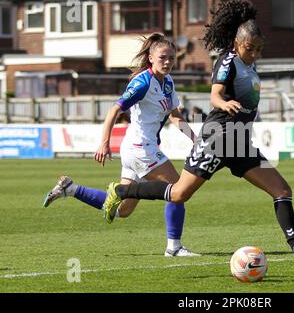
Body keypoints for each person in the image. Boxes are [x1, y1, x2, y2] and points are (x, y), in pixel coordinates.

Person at [102, 0, 294, 271]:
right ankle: (121, 190)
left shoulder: (250, 64)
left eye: (259, 49)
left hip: (239, 141)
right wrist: (224, 104)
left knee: (282, 190)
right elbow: (215, 95)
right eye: (250, 48)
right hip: (219, 138)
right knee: (178, 194)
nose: (254, 53)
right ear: (237, 43)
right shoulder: (228, 60)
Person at [42, 33, 200, 257]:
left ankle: (71, 189)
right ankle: (173, 247)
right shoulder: (143, 82)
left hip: (139, 148)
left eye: (172, 58)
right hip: (140, 148)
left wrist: (195, 139)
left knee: (122, 211)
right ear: (151, 58)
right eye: (163, 57)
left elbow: (175, 116)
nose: (168, 62)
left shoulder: (168, 83)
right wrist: (104, 142)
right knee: (177, 190)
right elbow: (115, 109)